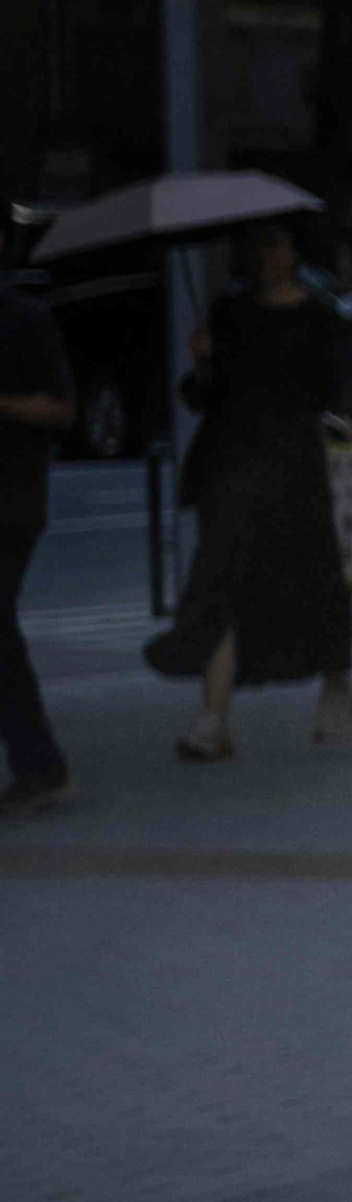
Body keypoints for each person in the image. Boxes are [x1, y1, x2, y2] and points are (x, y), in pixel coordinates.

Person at [142, 220, 352, 761]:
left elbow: (333, 390)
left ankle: (338, 683)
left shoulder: (319, 316)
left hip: (292, 467)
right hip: (232, 464)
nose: (263, 255)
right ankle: (213, 720)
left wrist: (338, 418)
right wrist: (203, 359)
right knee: (219, 580)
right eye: (255, 243)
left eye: (274, 242)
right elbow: (204, 397)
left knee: (314, 576)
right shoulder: (230, 311)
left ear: (293, 249)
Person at [0, 264, 71, 812]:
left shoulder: (24, 317)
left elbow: (61, 407)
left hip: (11, 498)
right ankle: (38, 762)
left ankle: (39, 762)